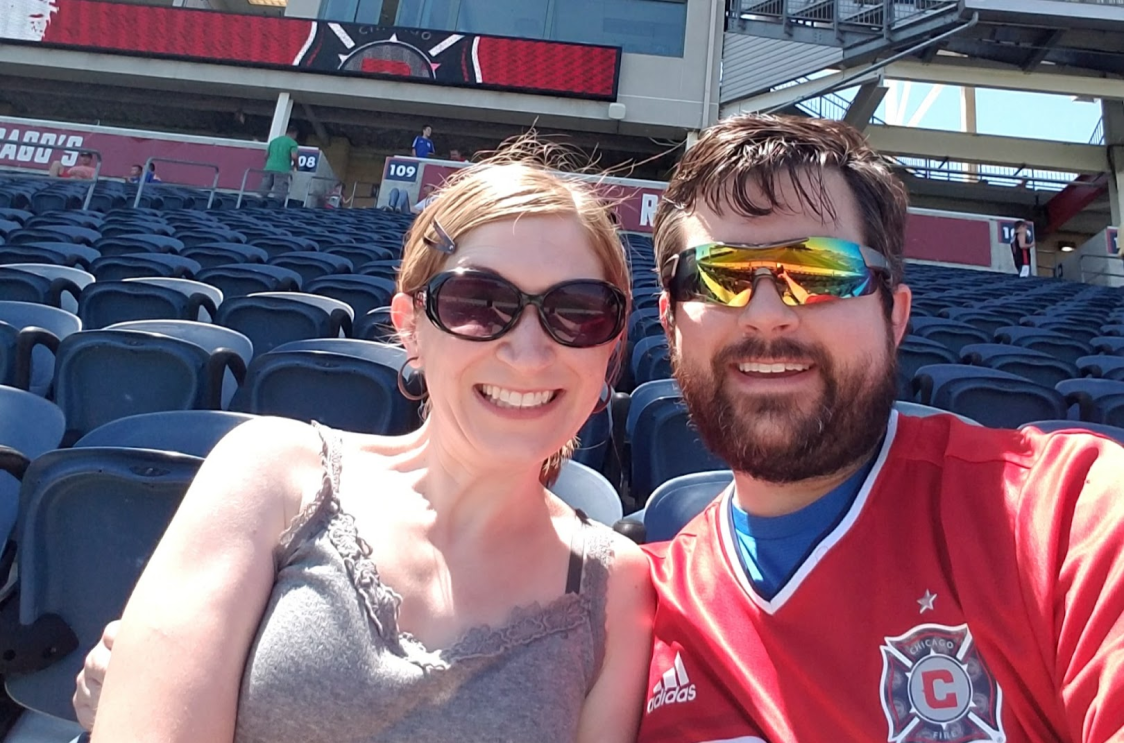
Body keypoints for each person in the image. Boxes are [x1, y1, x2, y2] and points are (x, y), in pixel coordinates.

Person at [75, 148, 653, 743]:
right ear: (410, 327)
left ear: (610, 347)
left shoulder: (615, 586)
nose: (529, 353)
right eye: (478, 304)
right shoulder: (274, 473)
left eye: (578, 312)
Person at [638, 115, 1124, 742]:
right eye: (718, 275)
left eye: (818, 271)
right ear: (671, 321)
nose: (764, 315)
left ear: (893, 315)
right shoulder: (634, 609)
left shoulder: (1069, 511)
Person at [260, 124, 299, 201]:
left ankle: (259, 203)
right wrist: (296, 165)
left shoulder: (274, 141)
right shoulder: (292, 143)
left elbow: (266, 155)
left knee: (264, 189)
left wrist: (270, 163)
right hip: (282, 169)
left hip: (269, 167)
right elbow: (294, 156)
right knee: (279, 192)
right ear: (294, 133)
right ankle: (277, 207)